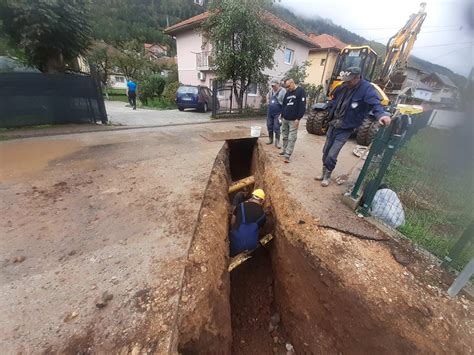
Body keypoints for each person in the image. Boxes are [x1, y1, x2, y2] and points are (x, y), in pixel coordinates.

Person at [315, 67, 392, 187]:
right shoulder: (343, 86)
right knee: (325, 151)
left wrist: (381, 115)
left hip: (345, 128)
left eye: (349, 80)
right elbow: (333, 99)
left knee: (332, 154)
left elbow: (375, 104)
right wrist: (328, 108)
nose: (347, 82)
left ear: (357, 77)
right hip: (333, 124)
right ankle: (323, 172)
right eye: (346, 80)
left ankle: (327, 176)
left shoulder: (366, 89)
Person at [229, 189, 266, 256]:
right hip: (251, 246)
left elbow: (232, 222)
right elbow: (259, 231)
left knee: (232, 250)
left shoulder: (241, 205)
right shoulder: (263, 215)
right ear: (262, 201)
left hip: (235, 244)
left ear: (252, 196)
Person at [279, 78, 306, 163]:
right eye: (286, 87)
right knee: (285, 136)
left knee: (291, 138)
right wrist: (282, 115)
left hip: (293, 120)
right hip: (285, 119)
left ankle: (287, 155)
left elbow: (302, 106)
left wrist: (298, 118)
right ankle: (284, 150)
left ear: (292, 82)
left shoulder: (300, 91)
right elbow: (284, 105)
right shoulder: (288, 93)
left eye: (288, 86)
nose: (287, 88)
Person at [266, 79, 286, 149]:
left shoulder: (283, 91)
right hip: (270, 112)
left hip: (278, 113)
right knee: (269, 125)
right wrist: (268, 101)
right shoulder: (271, 91)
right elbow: (267, 96)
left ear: (278, 84)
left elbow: (285, 103)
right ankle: (270, 139)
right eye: (272, 85)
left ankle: (277, 142)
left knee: (277, 127)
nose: (273, 87)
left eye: (274, 85)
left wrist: (282, 113)